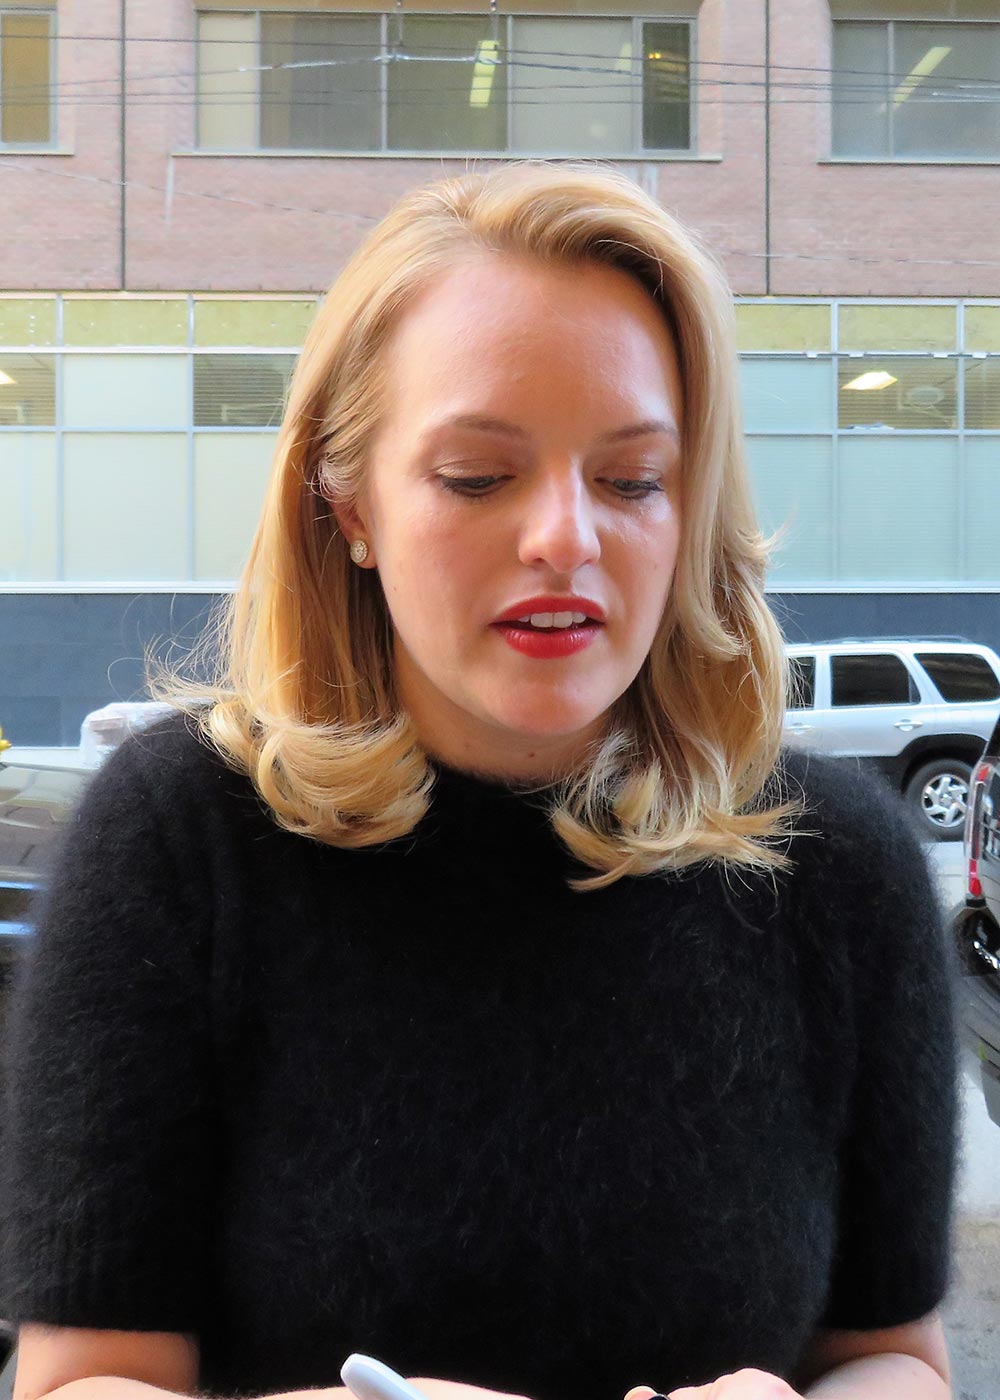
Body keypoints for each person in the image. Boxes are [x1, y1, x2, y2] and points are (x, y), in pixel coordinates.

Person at [1, 164, 959, 1400]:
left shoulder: (837, 866)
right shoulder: (180, 841)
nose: (565, 536)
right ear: (345, 500)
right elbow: (80, 1377)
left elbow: (892, 1355)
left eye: (632, 479)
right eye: (477, 475)